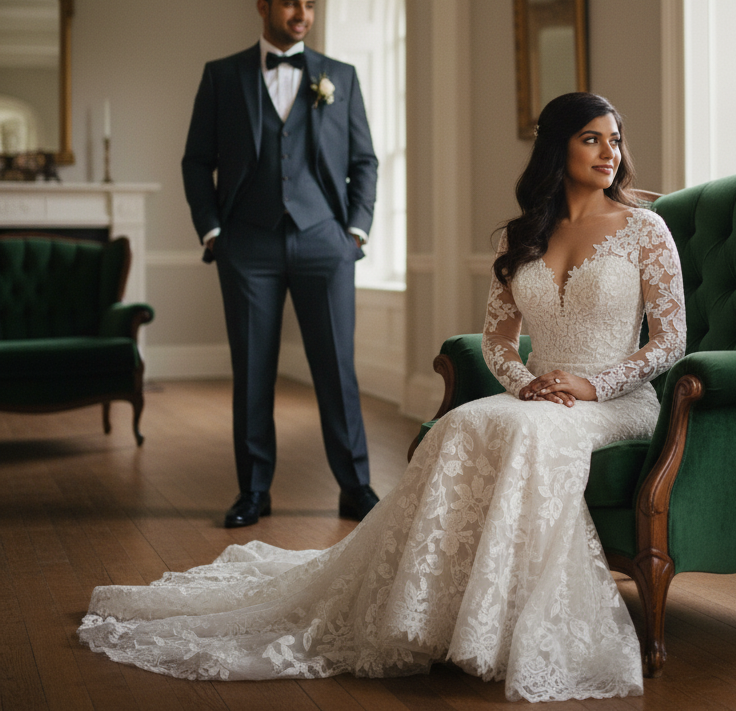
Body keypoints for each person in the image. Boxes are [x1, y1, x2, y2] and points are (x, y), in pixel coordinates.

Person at [80, 92, 687, 702]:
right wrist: (523, 382)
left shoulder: (645, 229)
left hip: (616, 399)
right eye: (592, 138)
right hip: (541, 393)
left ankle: (498, 632)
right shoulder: (523, 235)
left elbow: (670, 341)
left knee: (524, 433)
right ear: (558, 147)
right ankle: (429, 614)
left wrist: (593, 384)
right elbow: (497, 339)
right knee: (458, 426)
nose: (610, 152)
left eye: (614, 139)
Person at [180, 0, 380, 529]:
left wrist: (355, 232)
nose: (302, 15)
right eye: (291, 4)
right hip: (247, 245)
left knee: (337, 369)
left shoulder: (339, 75)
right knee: (252, 370)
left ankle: (354, 485)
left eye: (310, 5)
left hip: (326, 242)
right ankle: (253, 491)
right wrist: (213, 230)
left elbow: (364, 160)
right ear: (264, 6)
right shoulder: (222, 76)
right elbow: (197, 160)